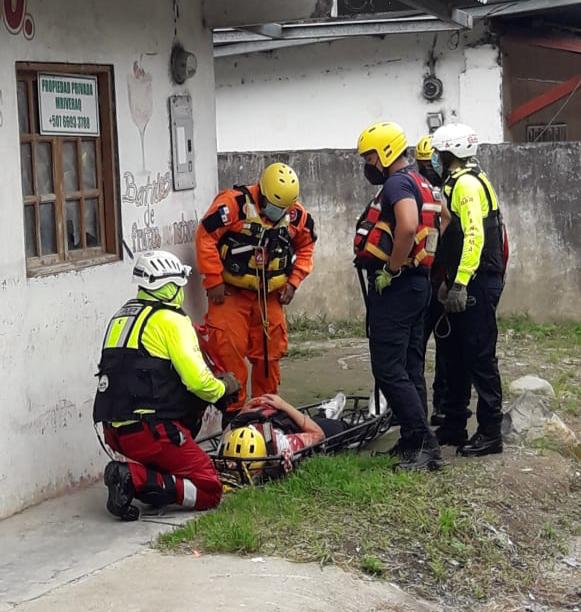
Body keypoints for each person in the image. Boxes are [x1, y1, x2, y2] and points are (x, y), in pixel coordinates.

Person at [93, 250, 241, 521]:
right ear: (170, 287)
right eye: (180, 286)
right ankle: (134, 478)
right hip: (152, 433)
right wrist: (225, 389)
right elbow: (199, 382)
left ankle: (138, 478)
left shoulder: (121, 316)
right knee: (209, 488)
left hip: (114, 432)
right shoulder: (172, 320)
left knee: (171, 472)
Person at [354, 121, 442, 470]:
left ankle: (424, 444)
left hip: (399, 286)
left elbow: (406, 225)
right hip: (418, 283)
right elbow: (443, 220)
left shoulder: (397, 182)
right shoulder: (422, 181)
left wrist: (392, 268)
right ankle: (412, 440)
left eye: (371, 156)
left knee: (388, 367)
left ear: (387, 152)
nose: (369, 164)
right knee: (409, 365)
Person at [195, 162, 317, 415]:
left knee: (269, 358)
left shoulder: (296, 215)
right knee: (227, 352)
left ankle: (266, 412)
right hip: (230, 294)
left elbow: (306, 247)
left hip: (269, 298)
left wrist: (294, 282)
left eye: (284, 207)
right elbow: (206, 237)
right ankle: (235, 414)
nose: (279, 212)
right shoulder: (232, 205)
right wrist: (214, 280)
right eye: (275, 206)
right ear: (262, 191)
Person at [430, 123, 506, 456]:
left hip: (476, 281)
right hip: (464, 279)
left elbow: (473, 237)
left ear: (448, 155)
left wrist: (460, 282)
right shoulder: (458, 183)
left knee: (479, 356)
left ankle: (490, 432)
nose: (433, 159)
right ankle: (454, 425)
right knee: (454, 355)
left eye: (437, 153)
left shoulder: (467, 186)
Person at [416, 134, 448, 427]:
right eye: (422, 164)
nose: (427, 169)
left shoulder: (451, 192)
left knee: (446, 349)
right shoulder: (414, 193)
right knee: (415, 348)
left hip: (442, 282)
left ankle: (441, 404)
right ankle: (415, 409)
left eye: (430, 164)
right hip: (420, 281)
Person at [220, 394, 348, 463]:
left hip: (278, 423)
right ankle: (359, 422)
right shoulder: (281, 445)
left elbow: (232, 427)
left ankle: (323, 414)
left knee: (311, 421)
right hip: (296, 430)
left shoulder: (227, 442)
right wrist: (283, 405)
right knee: (336, 429)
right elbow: (318, 435)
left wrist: (245, 410)